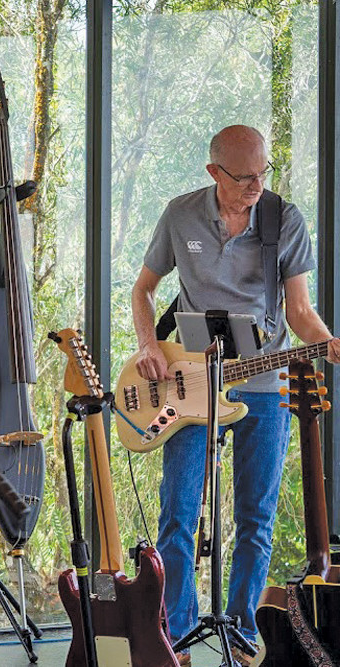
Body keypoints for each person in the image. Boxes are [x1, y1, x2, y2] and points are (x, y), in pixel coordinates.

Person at [131, 124, 340, 666]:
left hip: (264, 388)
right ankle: (173, 631)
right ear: (213, 173)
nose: (255, 185)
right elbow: (144, 289)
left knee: (257, 516)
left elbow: (299, 311)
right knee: (177, 514)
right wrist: (150, 344)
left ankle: (244, 629)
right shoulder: (180, 215)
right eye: (244, 176)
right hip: (190, 385)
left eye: (263, 173)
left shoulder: (283, 219)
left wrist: (325, 342)